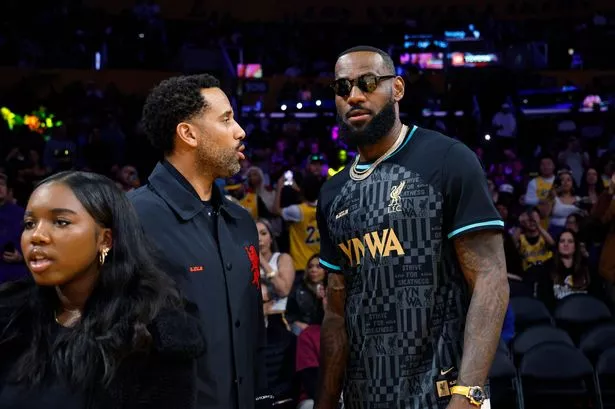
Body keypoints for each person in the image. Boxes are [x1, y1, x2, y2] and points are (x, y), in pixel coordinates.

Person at [315, 46, 509, 409]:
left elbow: (490, 279)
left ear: (397, 88)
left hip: (443, 394)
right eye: (342, 87)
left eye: (367, 82)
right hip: (364, 397)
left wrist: (469, 394)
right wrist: (324, 403)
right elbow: (336, 313)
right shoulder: (332, 193)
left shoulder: (448, 159)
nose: (353, 96)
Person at [0, 171, 204, 409]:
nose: (36, 236)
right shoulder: (10, 317)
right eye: (29, 224)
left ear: (105, 239)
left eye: (61, 222)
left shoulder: (155, 334)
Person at [127, 74, 272, 409]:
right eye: (226, 119)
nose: (240, 131)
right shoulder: (132, 218)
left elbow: (253, 329)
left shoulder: (241, 221)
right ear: (188, 134)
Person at [0, 173, 29, 284]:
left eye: (1, 184)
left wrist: (21, 257)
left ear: (8, 190)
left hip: (18, 275)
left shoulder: (21, 214)